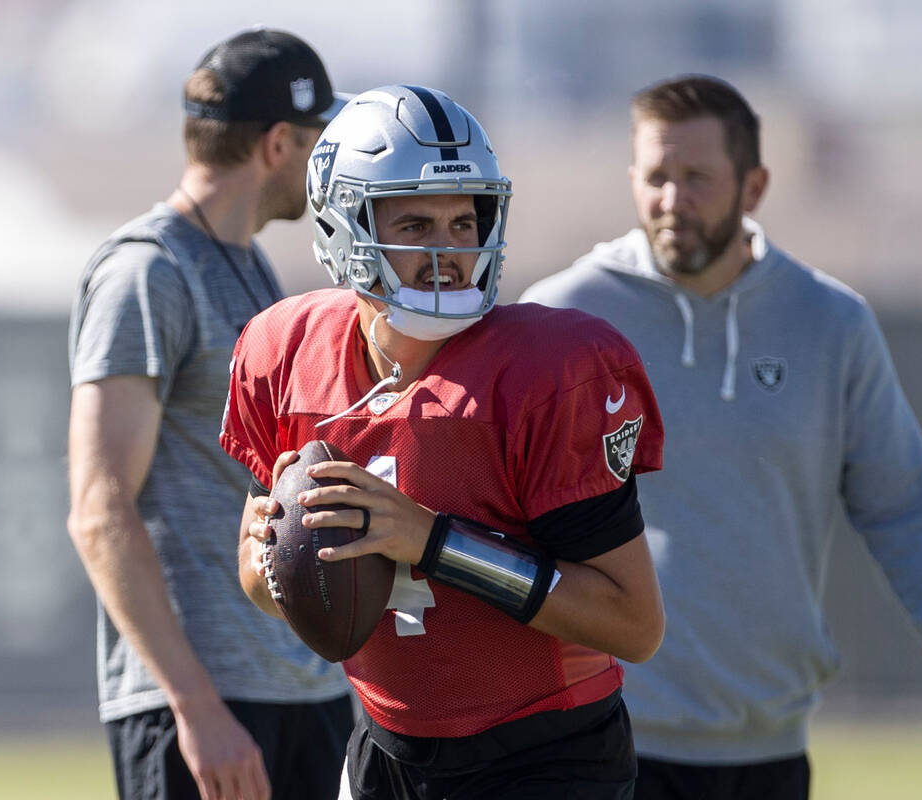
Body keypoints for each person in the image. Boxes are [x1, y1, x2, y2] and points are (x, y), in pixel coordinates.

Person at [518, 75, 922, 799]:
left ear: (755, 186)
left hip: (770, 749)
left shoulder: (832, 324)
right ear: (632, 179)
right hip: (598, 738)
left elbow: (901, 504)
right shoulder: (559, 321)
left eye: (698, 178)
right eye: (657, 176)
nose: (672, 200)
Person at [221, 84, 666, 799]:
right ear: (343, 225)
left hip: (544, 757)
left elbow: (634, 623)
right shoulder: (286, 349)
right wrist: (284, 546)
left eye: (465, 220)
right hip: (382, 748)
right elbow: (256, 579)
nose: (449, 250)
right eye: (417, 222)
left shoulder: (548, 371)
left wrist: (433, 542)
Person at [67, 28, 354, 800]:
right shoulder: (147, 272)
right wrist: (197, 709)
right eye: (320, 138)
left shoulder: (251, 264)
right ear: (277, 144)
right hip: (206, 712)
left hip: (301, 693)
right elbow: (99, 511)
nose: (330, 162)